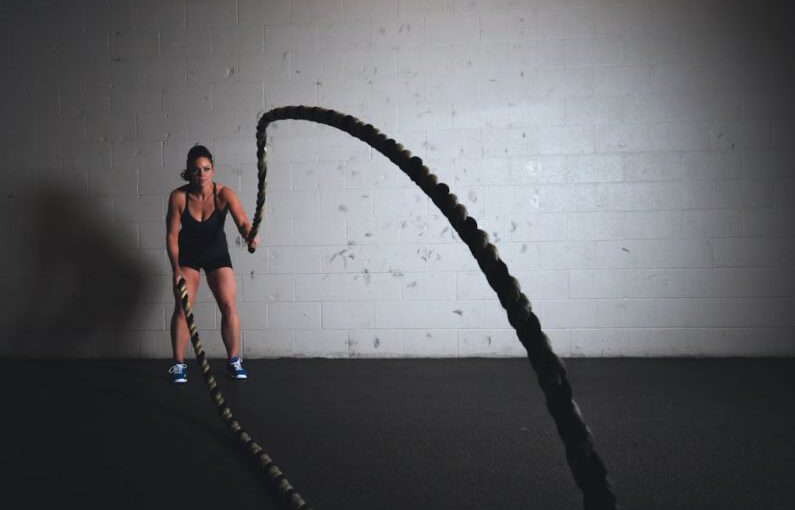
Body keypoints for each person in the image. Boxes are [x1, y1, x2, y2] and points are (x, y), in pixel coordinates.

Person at [165, 145, 259, 384]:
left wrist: (250, 235)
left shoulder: (224, 194)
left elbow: (243, 222)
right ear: (189, 172)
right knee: (182, 308)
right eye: (196, 170)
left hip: (217, 255)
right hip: (189, 257)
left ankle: (233, 360)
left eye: (206, 169)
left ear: (213, 171)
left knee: (229, 305)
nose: (201, 174)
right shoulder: (178, 197)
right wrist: (176, 270)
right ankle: (178, 365)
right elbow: (172, 236)